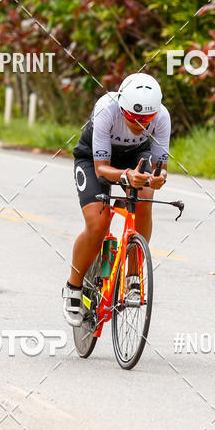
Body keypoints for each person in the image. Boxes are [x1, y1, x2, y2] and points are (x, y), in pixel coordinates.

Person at [63, 73, 170, 327]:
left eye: (146, 120)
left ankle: (133, 278)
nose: (140, 125)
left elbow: (160, 167)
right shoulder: (106, 109)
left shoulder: (162, 116)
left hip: (135, 155)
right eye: (133, 118)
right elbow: (101, 170)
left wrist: (159, 178)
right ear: (122, 108)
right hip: (94, 159)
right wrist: (126, 175)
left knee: (145, 199)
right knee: (98, 224)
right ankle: (73, 287)